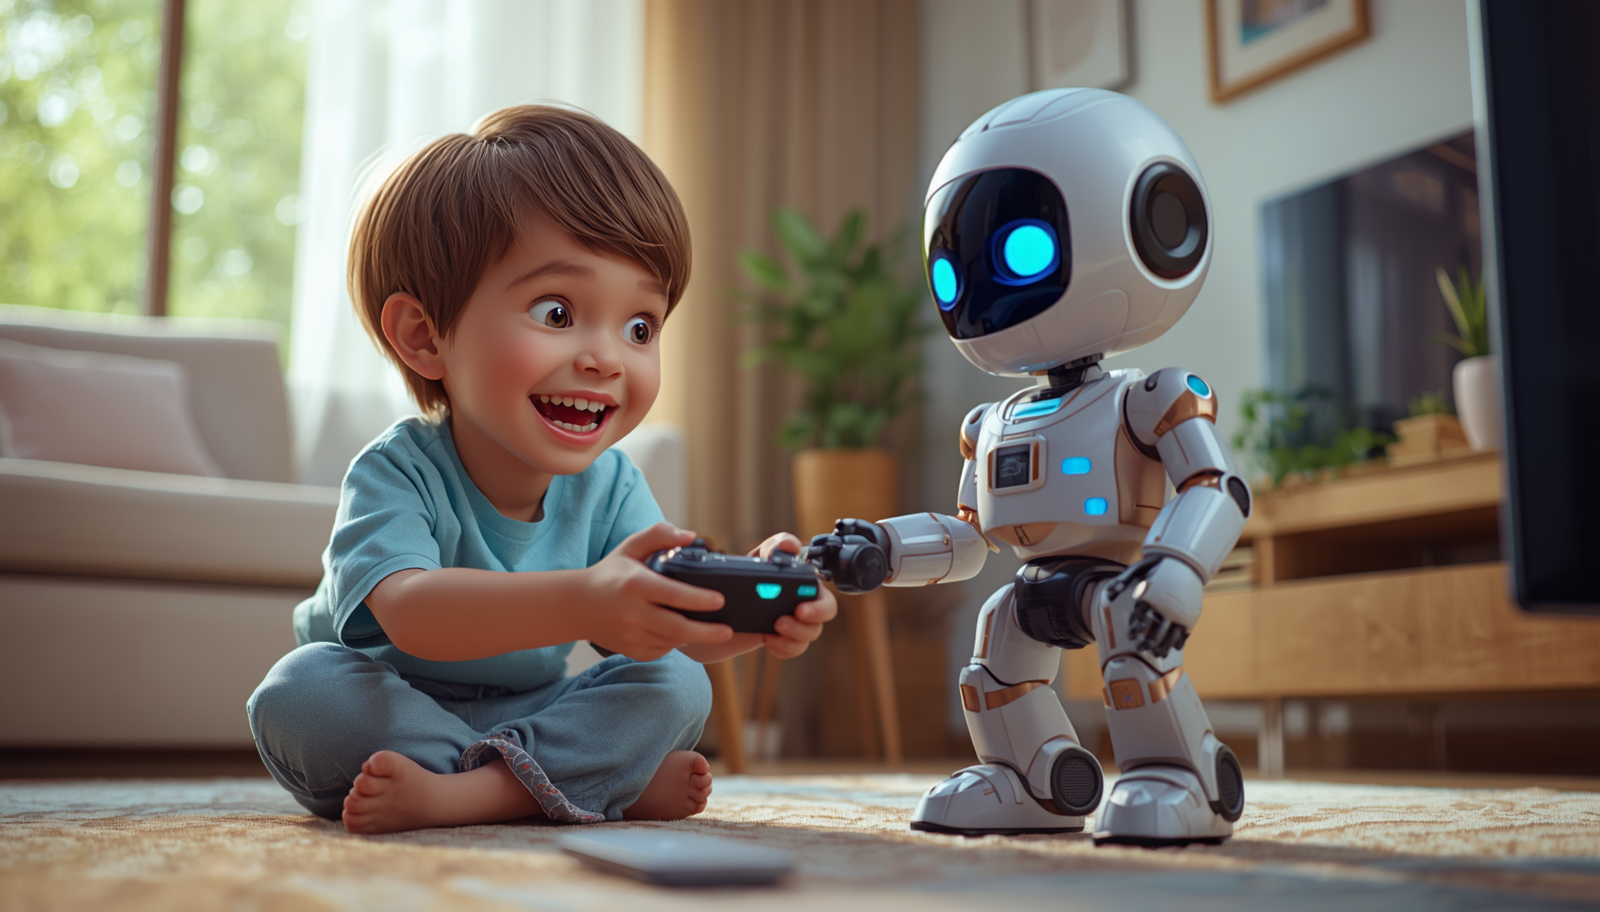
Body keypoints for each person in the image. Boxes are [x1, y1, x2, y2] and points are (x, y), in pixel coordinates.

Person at [247, 105, 836, 835]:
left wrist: (759, 619)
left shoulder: (612, 484)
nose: (606, 357)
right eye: (557, 312)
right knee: (300, 692)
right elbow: (415, 615)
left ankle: (478, 792)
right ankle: (581, 784)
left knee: (676, 682)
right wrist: (588, 601)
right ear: (425, 336)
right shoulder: (395, 471)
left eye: (640, 326)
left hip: (530, 712)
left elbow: (670, 629)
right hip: (392, 700)